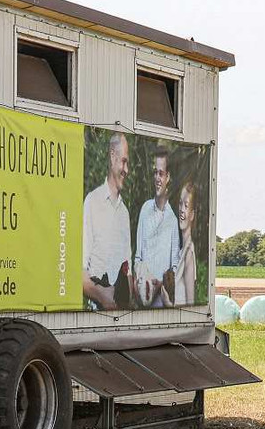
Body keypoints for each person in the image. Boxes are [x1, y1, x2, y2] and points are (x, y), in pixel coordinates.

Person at [82, 131, 133, 310]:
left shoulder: (124, 212)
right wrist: (104, 299)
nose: (126, 170)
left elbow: (128, 269)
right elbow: (80, 273)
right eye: (124, 161)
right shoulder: (92, 202)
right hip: (96, 314)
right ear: (112, 157)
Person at [133, 147, 180, 307]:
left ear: (168, 177)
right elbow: (138, 256)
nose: (157, 178)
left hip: (160, 303)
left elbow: (175, 265)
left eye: (161, 173)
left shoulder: (173, 221)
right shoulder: (145, 209)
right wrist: (139, 282)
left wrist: (159, 284)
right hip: (140, 301)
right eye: (155, 173)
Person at [173, 179, 199, 307]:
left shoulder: (188, 252)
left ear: (192, 215)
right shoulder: (181, 251)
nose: (182, 210)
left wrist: (168, 303)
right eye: (180, 204)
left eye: (186, 206)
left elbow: (190, 304)